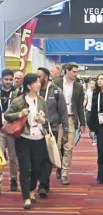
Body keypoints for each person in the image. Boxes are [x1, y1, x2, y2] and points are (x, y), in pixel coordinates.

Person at [4, 73, 51, 209]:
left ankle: (31, 190)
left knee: (37, 168)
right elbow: (7, 115)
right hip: (24, 139)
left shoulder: (41, 100)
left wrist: (42, 120)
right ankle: (26, 198)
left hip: (39, 138)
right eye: (36, 82)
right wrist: (20, 114)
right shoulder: (19, 101)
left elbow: (47, 119)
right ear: (29, 85)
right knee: (25, 168)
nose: (39, 84)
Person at [36, 67, 69, 196]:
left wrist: (65, 131)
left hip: (51, 129)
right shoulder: (33, 90)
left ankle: (44, 185)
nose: (37, 79)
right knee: (36, 158)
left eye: (39, 76)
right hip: (34, 130)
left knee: (47, 158)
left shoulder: (56, 91)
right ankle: (40, 181)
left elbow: (63, 112)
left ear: (46, 77)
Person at [54, 62, 85, 185]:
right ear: (67, 71)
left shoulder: (78, 87)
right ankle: (59, 166)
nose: (76, 74)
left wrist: (82, 122)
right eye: (74, 71)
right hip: (57, 119)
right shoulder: (56, 84)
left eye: (77, 72)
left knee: (68, 148)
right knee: (57, 146)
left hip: (71, 118)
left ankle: (65, 174)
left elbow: (80, 106)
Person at [0, 69, 19, 194]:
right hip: (0, 129)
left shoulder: (17, 93)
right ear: (1, 79)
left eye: (10, 80)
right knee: (0, 157)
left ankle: (13, 179)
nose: (8, 82)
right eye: (6, 79)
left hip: (12, 130)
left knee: (13, 157)